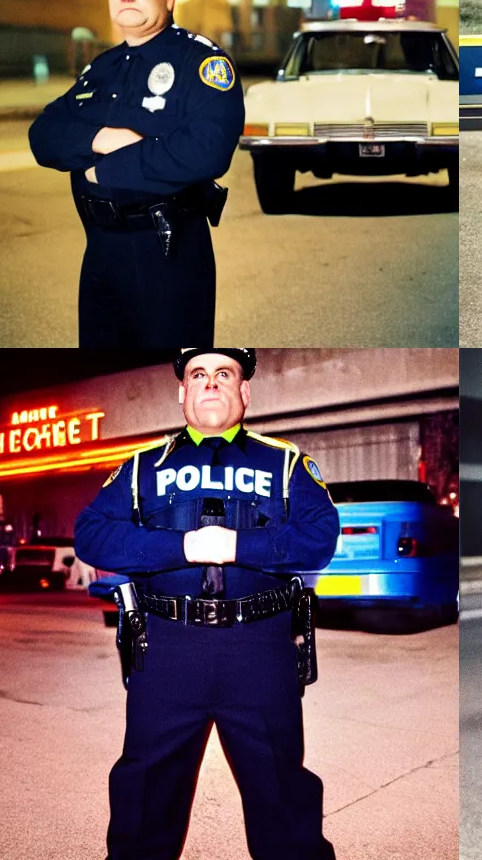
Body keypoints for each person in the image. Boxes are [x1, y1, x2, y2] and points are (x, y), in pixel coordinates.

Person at [73, 348, 338, 860]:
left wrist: (240, 546)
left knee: (283, 797)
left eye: (225, 374)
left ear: (245, 392)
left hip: (260, 649)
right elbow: (91, 534)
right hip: (168, 651)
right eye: (198, 375)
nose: (211, 384)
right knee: (144, 796)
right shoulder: (141, 468)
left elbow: (321, 538)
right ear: (182, 393)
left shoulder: (285, 462)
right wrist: (182, 547)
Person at [28, 0, 244, 347]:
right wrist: (100, 139)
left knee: (165, 368)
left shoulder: (200, 64)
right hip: (101, 250)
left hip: (167, 251)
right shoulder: (101, 70)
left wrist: (103, 171)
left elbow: (206, 152)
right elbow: (44, 135)